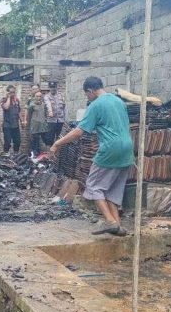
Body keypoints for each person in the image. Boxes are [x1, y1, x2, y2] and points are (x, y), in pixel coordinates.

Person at [50, 77, 133, 236]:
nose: (87, 97)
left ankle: (109, 222)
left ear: (90, 91)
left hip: (110, 149)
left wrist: (57, 144)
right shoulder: (119, 102)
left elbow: (79, 131)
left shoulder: (96, 105)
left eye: (86, 94)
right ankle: (118, 226)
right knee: (112, 192)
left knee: (94, 186)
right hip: (127, 148)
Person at [0, 85, 22, 154]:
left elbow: (18, 111)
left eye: (13, 92)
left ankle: (16, 155)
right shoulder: (4, 100)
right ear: (7, 93)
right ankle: (5, 155)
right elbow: (6, 107)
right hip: (7, 125)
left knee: (17, 141)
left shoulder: (17, 100)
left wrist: (22, 121)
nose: (12, 94)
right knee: (7, 142)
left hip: (15, 125)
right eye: (11, 92)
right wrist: (9, 97)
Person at [27, 90, 49, 155]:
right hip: (35, 126)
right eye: (37, 96)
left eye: (40, 96)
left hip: (43, 126)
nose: (39, 98)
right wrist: (29, 125)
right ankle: (35, 155)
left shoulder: (44, 105)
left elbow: (45, 114)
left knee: (46, 140)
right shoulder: (31, 105)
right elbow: (29, 116)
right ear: (34, 97)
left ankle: (47, 154)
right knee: (35, 142)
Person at [43, 80, 65, 147]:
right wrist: (50, 112)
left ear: (56, 87)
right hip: (51, 120)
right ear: (49, 88)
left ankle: (58, 154)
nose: (53, 88)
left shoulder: (61, 95)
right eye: (51, 87)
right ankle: (50, 153)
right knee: (50, 138)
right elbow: (48, 104)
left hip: (60, 120)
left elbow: (64, 106)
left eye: (54, 87)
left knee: (60, 137)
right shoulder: (47, 96)